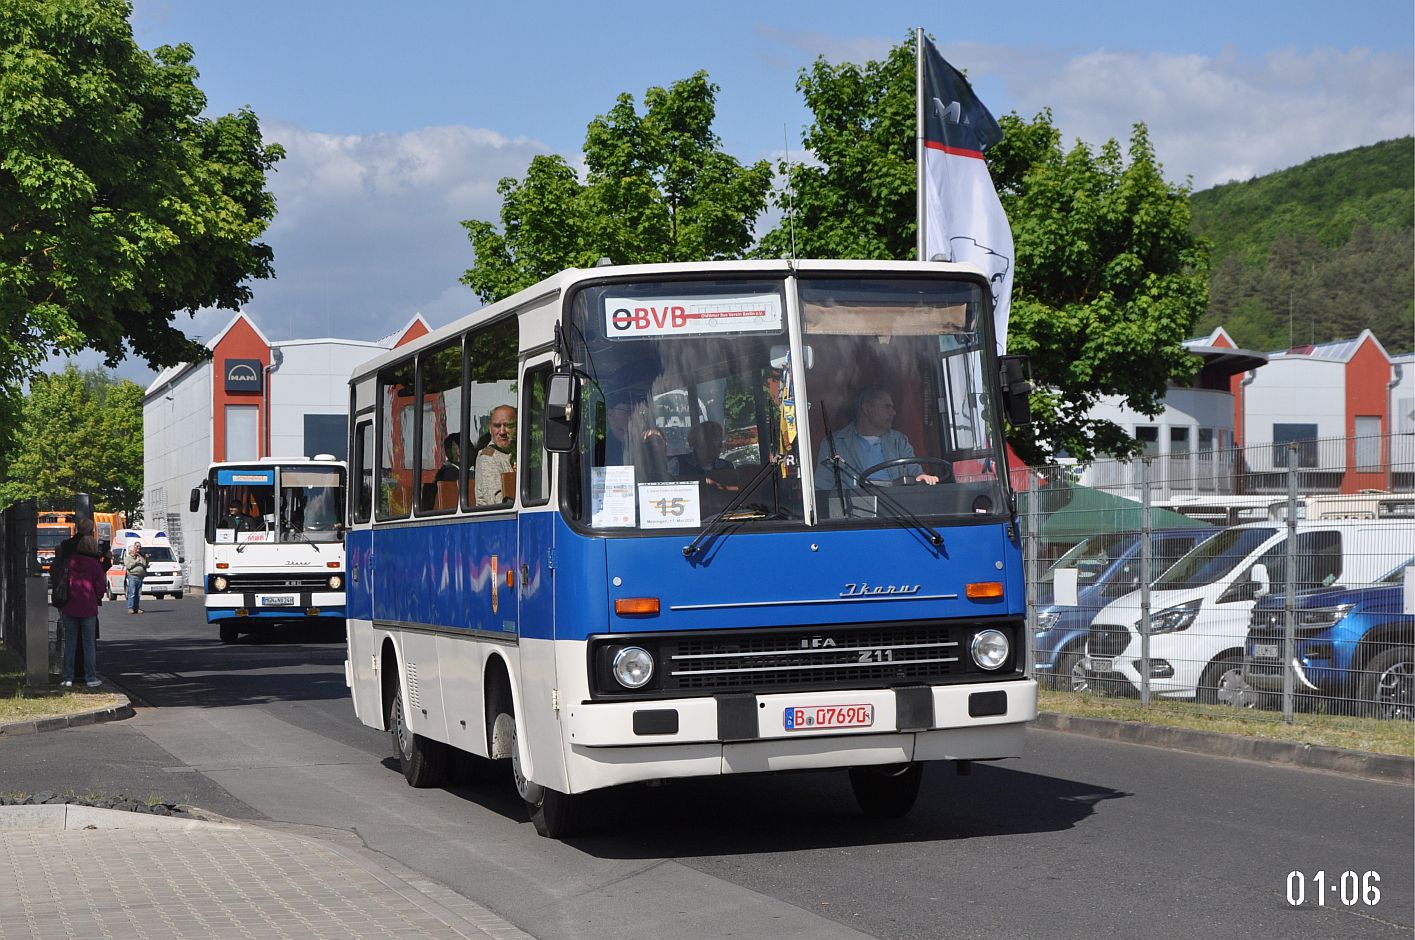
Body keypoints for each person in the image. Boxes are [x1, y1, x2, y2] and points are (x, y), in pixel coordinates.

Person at [814, 386, 940, 489]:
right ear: (867, 409)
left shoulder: (900, 441)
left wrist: (922, 477)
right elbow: (822, 489)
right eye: (887, 407)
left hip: (898, 511)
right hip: (854, 515)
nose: (893, 412)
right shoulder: (833, 444)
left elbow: (915, 473)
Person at [57, 525, 106, 688]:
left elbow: (59, 579)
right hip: (88, 607)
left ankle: (68, 678)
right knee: (88, 644)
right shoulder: (94, 565)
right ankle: (90, 678)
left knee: (70, 643)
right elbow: (101, 587)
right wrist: (96, 596)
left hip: (70, 605)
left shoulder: (68, 562)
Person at [475, 405, 516, 505]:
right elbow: (496, 502)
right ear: (490, 429)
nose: (502, 432)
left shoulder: (517, 452)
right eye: (497, 426)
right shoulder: (487, 455)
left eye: (508, 426)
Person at [124, 539, 148, 614]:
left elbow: (145, 564)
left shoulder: (140, 557)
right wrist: (136, 561)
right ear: (131, 551)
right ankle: (130, 608)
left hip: (140, 577)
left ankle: (136, 608)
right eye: (134, 549)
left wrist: (146, 558)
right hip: (132, 576)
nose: (136, 551)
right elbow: (128, 566)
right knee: (132, 593)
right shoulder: (128, 558)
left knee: (138, 594)